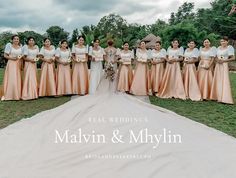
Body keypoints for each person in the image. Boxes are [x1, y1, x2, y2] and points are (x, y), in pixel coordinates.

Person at [210, 36, 235, 104]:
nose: (223, 42)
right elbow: (215, 56)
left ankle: (225, 98)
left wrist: (224, 60)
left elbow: (233, 58)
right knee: (218, 80)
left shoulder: (229, 48)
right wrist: (217, 60)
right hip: (218, 65)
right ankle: (217, 96)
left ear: (227, 41)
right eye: (221, 41)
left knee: (224, 80)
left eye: (224, 41)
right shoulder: (218, 48)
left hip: (224, 65)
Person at [2, 35, 22, 101]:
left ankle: (17, 94)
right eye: (15, 39)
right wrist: (12, 58)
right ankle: (9, 95)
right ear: (12, 40)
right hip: (11, 63)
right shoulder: (9, 45)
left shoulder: (20, 47)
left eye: (17, 39)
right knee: (11, 78)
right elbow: (5, 55)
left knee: (17, 78)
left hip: (18, 64)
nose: (16, 40)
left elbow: (21, 56)